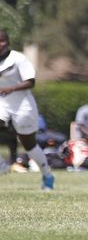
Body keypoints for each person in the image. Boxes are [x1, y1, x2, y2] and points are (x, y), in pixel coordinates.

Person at [0, 29, 56, 189]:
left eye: (2, 41)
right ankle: (2, 165)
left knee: (29, 145)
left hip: (22, 105)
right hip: (2, 104)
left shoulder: (18, 59)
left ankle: (47, 175)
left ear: (8, 42)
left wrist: (11, 88)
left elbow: (31, 82)